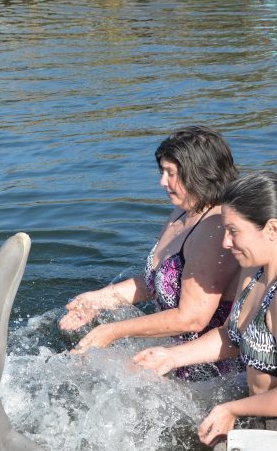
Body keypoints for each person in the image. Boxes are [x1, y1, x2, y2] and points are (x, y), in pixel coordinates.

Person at [133, 171, 277, 443]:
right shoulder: (256, 267)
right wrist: (173, 356)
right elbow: (232, 335)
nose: (225, 242)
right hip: (266, 422)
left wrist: (231, 408)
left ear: (272, 229)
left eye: (234, 231)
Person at [58, 126, 242, 380]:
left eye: (171, 173)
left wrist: (114, 331)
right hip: (171, 352)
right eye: (162, 171)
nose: (162, 182)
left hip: (207, 372)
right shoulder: (183, 211)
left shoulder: (215, 229)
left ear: (200, 174)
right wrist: (98, 300)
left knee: (83, 370)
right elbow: (157, 282)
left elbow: (192, 319)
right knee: (76, 364)